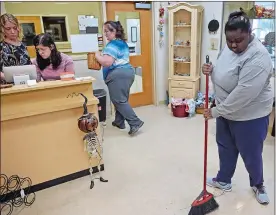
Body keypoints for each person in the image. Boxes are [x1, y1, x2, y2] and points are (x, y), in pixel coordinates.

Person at [202, 11, 273, 205]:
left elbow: (242, 95)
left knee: (251, 154)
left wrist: (215, 111)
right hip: (225, 110)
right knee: (225, 148)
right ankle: (224, 180)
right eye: (229, 40)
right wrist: (211, 70)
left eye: (239, 40)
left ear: (250, 33)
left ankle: (258, 184)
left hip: (250, 116)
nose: (233, 45)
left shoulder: (259, 57)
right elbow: (226, 71)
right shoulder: (229, 48)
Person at [95, 21, 144, 136]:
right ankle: (119, 121)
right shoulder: (122, 43)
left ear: (115, 31)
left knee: (118, 100)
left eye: (107, 31)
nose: (105, 34)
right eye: (105, 31)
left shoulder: (112, 45)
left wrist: (97, 55)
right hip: (127, 73)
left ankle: (135, 122)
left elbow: (107, 62)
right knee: (121, 99)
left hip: (118, 75)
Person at [0, 13, 32, 82]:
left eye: (14, 28)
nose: (12, 31)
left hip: (25, 83)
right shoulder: (1, 46)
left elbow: (29, 65)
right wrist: (12, 78)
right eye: (8, 29)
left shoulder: (22, 45)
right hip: (8, 85)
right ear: (2, 30)